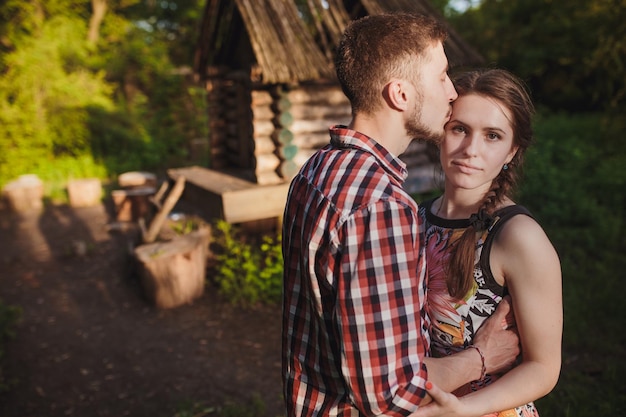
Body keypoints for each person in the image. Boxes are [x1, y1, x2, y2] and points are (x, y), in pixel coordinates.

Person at [281, 13, 521, 416]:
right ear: (401, 95)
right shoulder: (381, 207)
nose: (451, 92)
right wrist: (481, 357)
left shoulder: (316, 170)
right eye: (442, 76)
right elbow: (389, 393)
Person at [412, 68, 562, 417]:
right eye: (459, 129)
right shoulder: (414, 220)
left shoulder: (517, 236)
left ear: (512, 151)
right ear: (440, 134)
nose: (470, 149)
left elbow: (543, 367)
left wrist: (462, 410)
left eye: (492, 136)